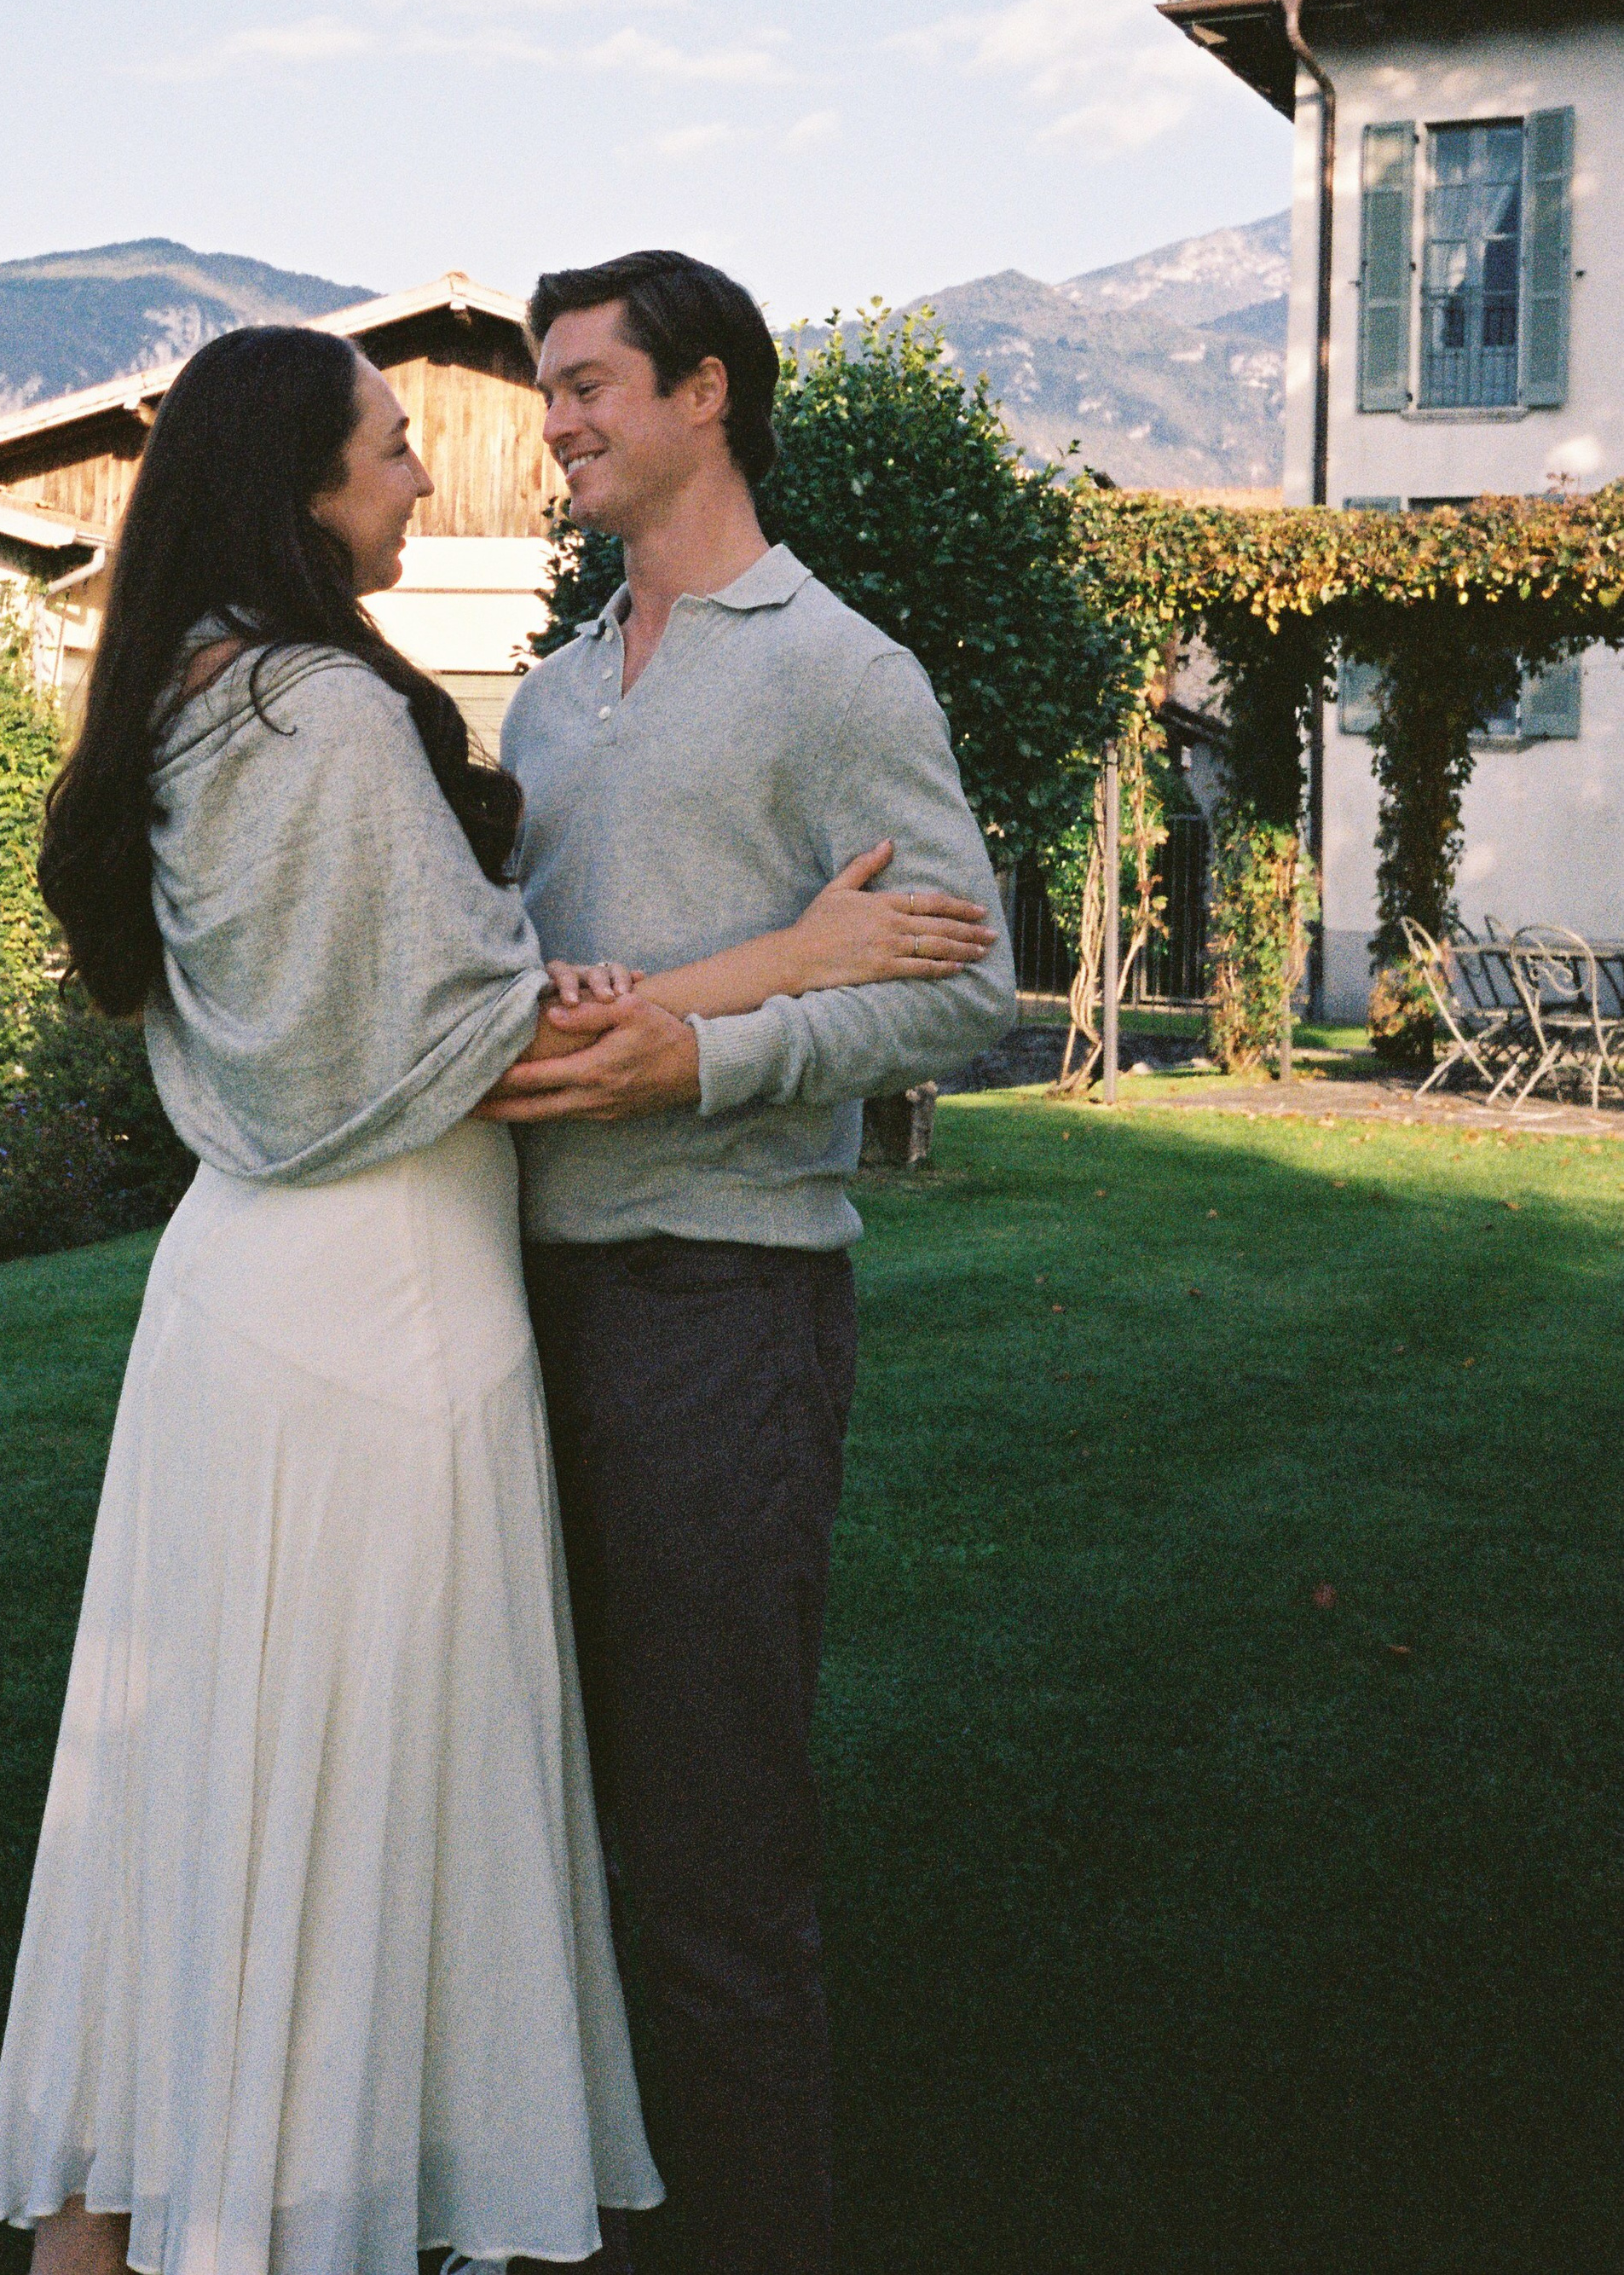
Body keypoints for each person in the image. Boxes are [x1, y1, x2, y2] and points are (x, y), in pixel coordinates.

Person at [0, 320, 997, 2275]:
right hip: (381, 1309)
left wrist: (749, 985)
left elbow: (428, 1012)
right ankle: (325, 2208)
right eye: (386, 444)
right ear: (295, 483)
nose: (441, 464)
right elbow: (483, 1039)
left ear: (705, 393)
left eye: (584, 384)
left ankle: (124, 2223)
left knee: (206, 1776)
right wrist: (789, 954)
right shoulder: (339, 715)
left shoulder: (183, 698)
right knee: (367, 1779)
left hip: (246, 1296)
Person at [484, 249, 1019, 2275]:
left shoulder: (837, 670)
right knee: (527, 1819)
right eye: (550, 389)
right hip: (504, 1308)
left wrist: (708, 1055)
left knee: (709, 1856)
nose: (557, 421)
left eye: (592, 383)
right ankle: (566, 2218)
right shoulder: (547, 686)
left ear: (707, 391)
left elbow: (955, 982)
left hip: (722, 1303)